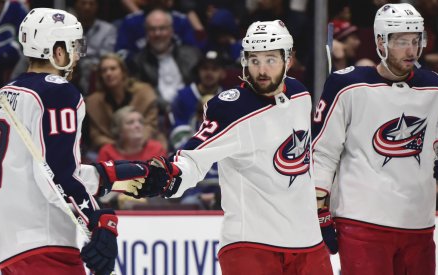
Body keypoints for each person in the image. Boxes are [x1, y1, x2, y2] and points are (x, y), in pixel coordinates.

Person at [127, 20, 334, 274]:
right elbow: (194, 157)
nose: (261, 70)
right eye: (254, 60)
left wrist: (321, 209)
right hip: (251, 246)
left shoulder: (301, 95)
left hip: (308, 243)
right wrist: (170, 176)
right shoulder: (232, 108)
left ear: (288, 60)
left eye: (270, 59)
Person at [0, 8, 147, 275]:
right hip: (44, 241)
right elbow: (56, 175)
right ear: (57, 51)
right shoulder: (57, 91)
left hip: (7, 245)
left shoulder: (4, 94)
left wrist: (106, 176)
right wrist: (98, 219)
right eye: (73, 46)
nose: (77, 56)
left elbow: (35, 166)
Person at [312, 3, 438, 275]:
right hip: (362, 223)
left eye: (416, 41)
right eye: (402, 41)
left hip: (418, 224)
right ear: (381, 41)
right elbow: (324, 152)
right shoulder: (347, 86)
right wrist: (319, 210)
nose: (411, 50)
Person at [85, 53, 165, 151]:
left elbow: (150, 125)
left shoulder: (144, 93)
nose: (108, 73)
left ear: (123, 72)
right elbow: (96, 135)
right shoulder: (93, 102)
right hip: (111, 149)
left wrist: (135, 144)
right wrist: (119, 148)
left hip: (143, 143)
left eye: (113, 68)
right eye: (104, 71)